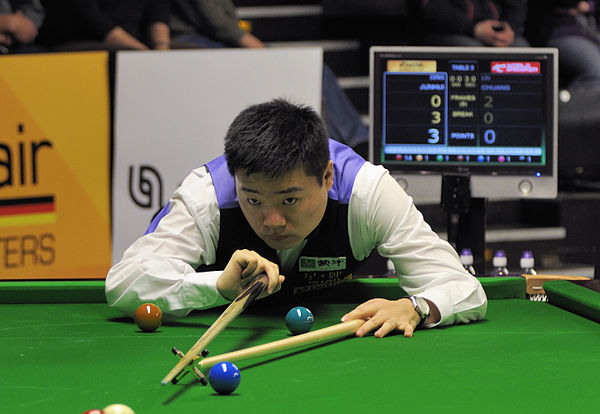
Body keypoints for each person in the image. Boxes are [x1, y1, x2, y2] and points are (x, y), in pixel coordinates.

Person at [105, 98, 487, 338]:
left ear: (326, 177)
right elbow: (123, 284)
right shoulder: (207, 198)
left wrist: (416, 308)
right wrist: (217, 286)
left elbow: (463, 288)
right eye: (252, 200)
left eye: (289, 200)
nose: (271, 220)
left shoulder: (368, 193)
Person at [168, 0, 370, 156]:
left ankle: (352, 142)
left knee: (317, 70)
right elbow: (218, 24)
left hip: (217, 39)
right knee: (306, 67)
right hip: (197, 40)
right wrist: (263, 52)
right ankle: (355, 141)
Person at [37, 0, 171, 51]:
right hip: (85, 40)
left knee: (187, 54)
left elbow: (158, 12)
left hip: (137, 44)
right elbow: (89, 18)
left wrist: (161, 46)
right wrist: (142, 52)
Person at [526, 0, 600, 88]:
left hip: (589, 34)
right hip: (557, 32)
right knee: (596, 72)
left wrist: (589, 5)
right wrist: (575, 4)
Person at [420, 0, 529, 47]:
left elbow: (516, 7)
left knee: (524, 52)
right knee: (475, 52)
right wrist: (474, 29)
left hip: (498, 30)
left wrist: (509, 28)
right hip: (452, 31)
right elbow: (432, 9)